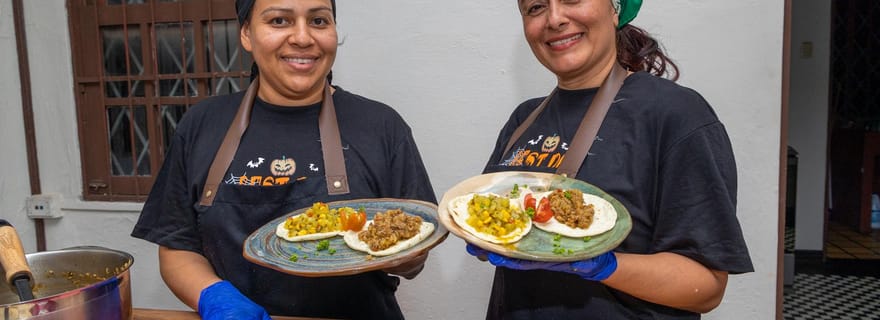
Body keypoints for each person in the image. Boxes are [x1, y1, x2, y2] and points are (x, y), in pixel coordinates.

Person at [130, 0, 436, 319]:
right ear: (246, 34)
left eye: (319, 21)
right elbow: (177, 248)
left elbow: (416, 253)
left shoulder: (382, 126)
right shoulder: (202, 124)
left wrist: (402, 250)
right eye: (279, 21)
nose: (303, 37)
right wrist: (213, 296)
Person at [465, 0, 754, 318]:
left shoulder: (675, 114)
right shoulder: (524, 119)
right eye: (535, 7)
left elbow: (707, 286)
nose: (555, 19)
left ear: (615, 8)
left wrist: (604, 265)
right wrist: (487, 233)